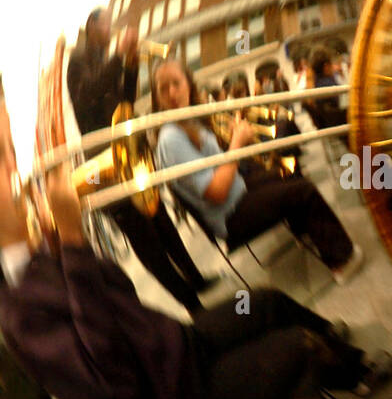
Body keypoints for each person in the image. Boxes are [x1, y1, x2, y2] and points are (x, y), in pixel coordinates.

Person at [0, 77, 392, 399]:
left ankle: (349, 365)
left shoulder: (42, 255)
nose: (19, 167)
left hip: (181, 346)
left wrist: (66, 244)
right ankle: (327, 359)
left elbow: (123, 295)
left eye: (14, 150)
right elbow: (113, 376)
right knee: (297, 343)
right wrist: (72, 244)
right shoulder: (16, 313)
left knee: (268, 303)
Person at [151, 56, 363, 282]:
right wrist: (237, 143)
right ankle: (343, 261)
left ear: (188, 83)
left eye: (177, 83)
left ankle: (308, 231)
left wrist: (233, 137)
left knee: (289, 172)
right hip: (229, 215)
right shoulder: (171, 138)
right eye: (164, 88)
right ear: (156, 96)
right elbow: (216, 192)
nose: (172, 93)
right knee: (304, 191)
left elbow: (216, 164)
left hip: (236, 191)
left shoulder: (188, 120)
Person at [65, 7, 207, 310]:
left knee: (160, 218)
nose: (112, 29)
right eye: (107, 25)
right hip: (106, 165)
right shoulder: (78, 60)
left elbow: (124, 103)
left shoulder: (104, 60)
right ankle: (191, 303)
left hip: (127, 153)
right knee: (146, 241)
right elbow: (87, 94)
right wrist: (119, 55)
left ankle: (196, 278)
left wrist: (130, 67)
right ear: (92, 27)